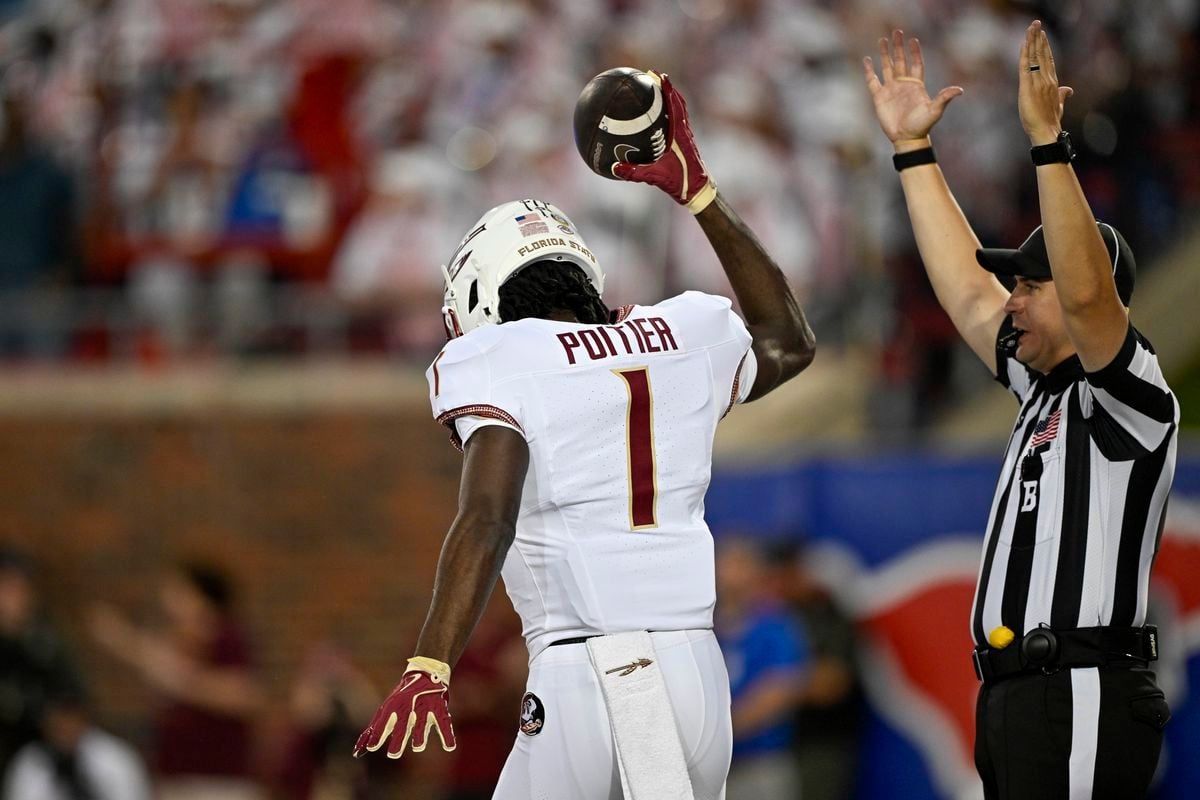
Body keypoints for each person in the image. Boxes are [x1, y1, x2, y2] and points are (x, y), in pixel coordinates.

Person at [353, 72, 816, 800]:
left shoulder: (494, 357)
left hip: (591, 671)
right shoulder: (683, 330)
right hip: (699, 676)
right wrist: (700, 194)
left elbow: (488, 515)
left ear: (481, 292)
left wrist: (430, 663)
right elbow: (789, 342)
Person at [864, 22, 1178, 800]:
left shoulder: (1130, 393)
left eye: (1028, 287)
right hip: (1024, 693)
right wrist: (912, 152)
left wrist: (1047, 144)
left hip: (1079, 681)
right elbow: (967, 290)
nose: (1012, 302)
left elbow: (1085, 292)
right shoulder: (1041, 389)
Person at [89, 561, 266, 800]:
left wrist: (181, 680)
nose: (169, 601)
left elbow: (242, 695)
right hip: (175, 779)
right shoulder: (177, 641)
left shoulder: (227, 638)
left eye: (179, 591)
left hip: (218, 783)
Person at [715, 539, 809, 800]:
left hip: (759, 765)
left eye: (740, 563)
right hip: (712, 769)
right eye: (725, 562)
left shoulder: (775, 626)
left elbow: (779, 691)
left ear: (756, 571)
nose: (729, 572)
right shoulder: (703, 628)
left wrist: (716, 734)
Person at [0, 548, 83, 778]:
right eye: (6, 588)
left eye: (18, 589)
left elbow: (71, 696)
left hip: (41, 764)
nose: (11, 599)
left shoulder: (43, 644)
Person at [2, 687, 153, 800]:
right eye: (58, 724)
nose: (65, 729)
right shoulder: (30, 762)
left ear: (84, 720)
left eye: (70, 721)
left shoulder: (115, 756)